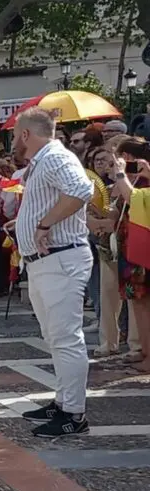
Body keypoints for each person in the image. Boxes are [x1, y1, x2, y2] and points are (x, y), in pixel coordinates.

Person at [11, 108, 95, 438]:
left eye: (16, 134)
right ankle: (63, 402)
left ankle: (73, 413)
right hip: (47, 261)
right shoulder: (43, 161)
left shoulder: (55, 157)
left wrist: (44, 224)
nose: (14, 141)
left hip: (61, 258)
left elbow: (80, 191)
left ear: (27, 135)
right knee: (55, 339)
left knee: (65, 338)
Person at [109, 137, 150, 371]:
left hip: (142, 248)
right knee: (138, 304)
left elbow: (133, 198)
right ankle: (144, 351)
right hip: (131, 247)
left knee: (144, 304)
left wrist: (122, 175)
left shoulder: (141, 182)